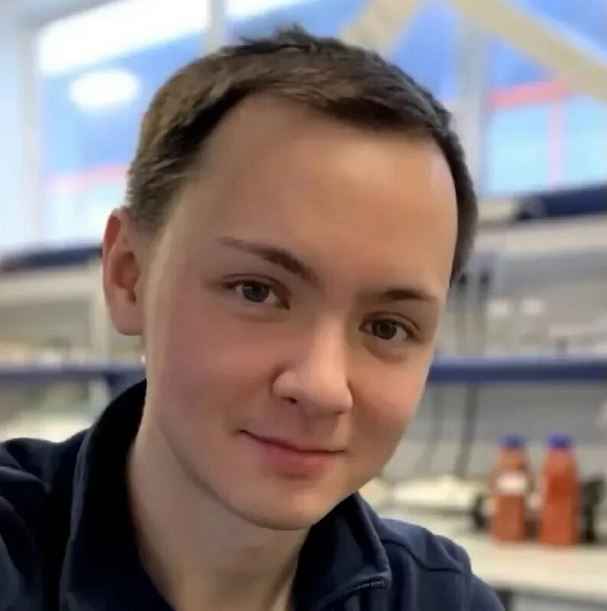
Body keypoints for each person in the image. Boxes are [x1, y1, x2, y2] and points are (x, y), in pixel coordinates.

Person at [0, 27, 503, 611]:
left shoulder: (438, 598)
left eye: (387, 327)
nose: (322, 388)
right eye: (258, 292)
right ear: (129, 275)